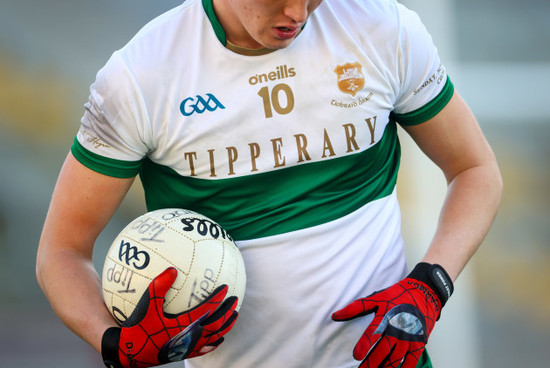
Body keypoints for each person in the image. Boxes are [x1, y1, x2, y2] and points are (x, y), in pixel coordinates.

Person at [36, 0, 503, 367]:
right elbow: (62, 252)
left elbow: (475, 170)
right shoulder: (140, 77)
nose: (297, 13)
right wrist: (116, 344)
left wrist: (431, 283)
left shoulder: (383, 28)